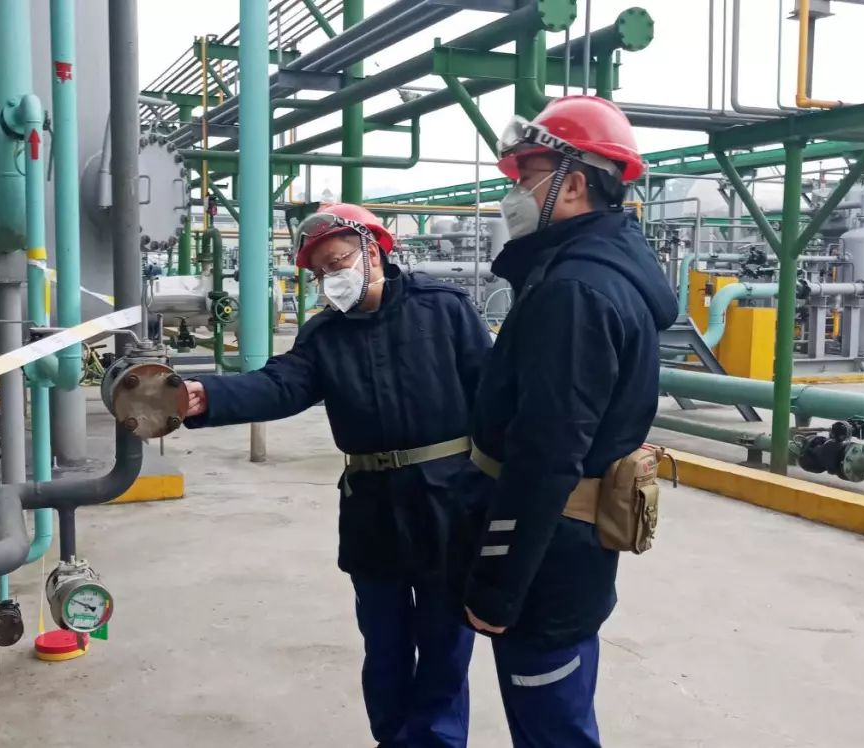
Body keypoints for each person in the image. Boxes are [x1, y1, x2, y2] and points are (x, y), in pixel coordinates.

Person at [182, 203, 493, 748]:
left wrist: (498, 489)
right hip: (372, 507)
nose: (331, 277)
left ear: (374, 251)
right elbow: (282, 385)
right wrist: (207, 395)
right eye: (321, 270)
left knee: (445, 642)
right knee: (385, 643)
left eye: (338, 261)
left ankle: (438, 742)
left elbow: (492, 395)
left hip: (447, 500)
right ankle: (393, 739)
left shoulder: (443, 309)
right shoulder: (325, 334)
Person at [457, 96, 679, 746]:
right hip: (569, 550)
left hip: (547, 557)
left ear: (575, 185)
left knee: (551, 725)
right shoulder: (593, 272)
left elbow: (547, 454)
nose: (514, 195)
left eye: (527, 178)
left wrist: (497, 585)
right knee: (558, 712)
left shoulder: (574, 292)